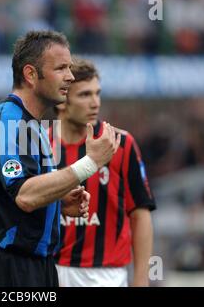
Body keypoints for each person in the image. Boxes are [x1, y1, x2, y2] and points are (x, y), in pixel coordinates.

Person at [0, 30, 120, 287]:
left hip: (38, 266)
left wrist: (57, 202)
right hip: (6, 269)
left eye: (69, 68)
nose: (70, 77)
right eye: (61, 68)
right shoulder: (6, 120)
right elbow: (25, 196)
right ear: (30, 74)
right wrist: (90, 163)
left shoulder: (33, 126)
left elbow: (17, 198)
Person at [52, 58, 156, 287]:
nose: (95, 103)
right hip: (50, 272)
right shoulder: (40, 146)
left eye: (97, 93)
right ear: (61, 101)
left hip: (105, 276)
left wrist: (141, 280)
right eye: (84, 95)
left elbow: (140, 215)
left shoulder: (121, 143)